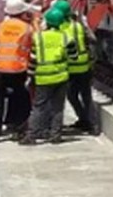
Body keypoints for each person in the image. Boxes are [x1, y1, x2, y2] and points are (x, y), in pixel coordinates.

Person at [21, 8, 78, 145]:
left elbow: (33, 59)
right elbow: (73, 57)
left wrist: (30, 75)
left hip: (42, 77)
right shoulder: (66, 37)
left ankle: (31, 135)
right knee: (58, 107)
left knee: (38, 107)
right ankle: (55, 135)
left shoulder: (39, 37)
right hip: (61, 77)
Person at [0, 0, 37, 141]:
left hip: (0, 68)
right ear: (22, 13)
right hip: (18, 69)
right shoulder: (27, 28)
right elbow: (35, 44)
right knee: (20, 98)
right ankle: (19, 128)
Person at [56, 0, 97, 135]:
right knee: (87, 96)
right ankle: (93, 125)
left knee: (72, 96)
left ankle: (83, 119)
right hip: (84, 66)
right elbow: (91, 39)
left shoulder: (59, 28)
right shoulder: (78, 26)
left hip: (70, 68)